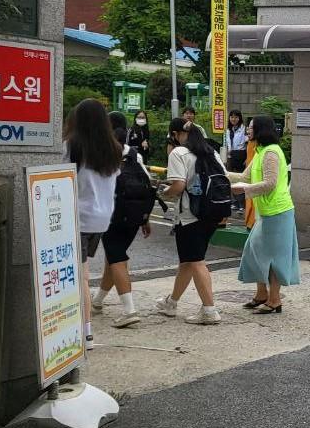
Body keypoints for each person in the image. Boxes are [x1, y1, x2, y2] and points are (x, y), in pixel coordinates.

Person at [153, 118, 227, 324]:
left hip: (189, 215)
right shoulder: (210, 151)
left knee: (195, 261)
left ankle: (209, 310)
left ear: (176, 135)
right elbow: (225, 176)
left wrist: (165, 192)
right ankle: (171, 303)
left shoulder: (179, 153)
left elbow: (178, 186)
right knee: (187, 260)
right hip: (212, 211)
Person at [64, 99, 123, 350]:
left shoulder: (72, 146)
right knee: (83, 274)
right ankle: (84, 330)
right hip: (101, 219)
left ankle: (85, 332)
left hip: (77, 218)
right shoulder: (114, 148)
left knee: (81, 277)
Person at [228, 115, 299, 314]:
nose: (248, 130)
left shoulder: (271, 153)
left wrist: (245, 189)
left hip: (278, 212)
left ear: (260, 130)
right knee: (254, 251)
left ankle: (274, 300)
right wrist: (219, 173)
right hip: (266, 213)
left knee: (274, 257)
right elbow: (243, 177)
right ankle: (261, 294)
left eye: (250, 128)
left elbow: (270, 183)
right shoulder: (260, 152)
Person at [92, 111, 153, 328]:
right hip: (134, 216)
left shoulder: (101, 153)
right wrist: (145, 218)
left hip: (111, 215)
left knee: (117, 258)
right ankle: (97, 301)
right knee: (113, 257)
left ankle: (129, 310)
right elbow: (145, 183)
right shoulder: (134, 153)